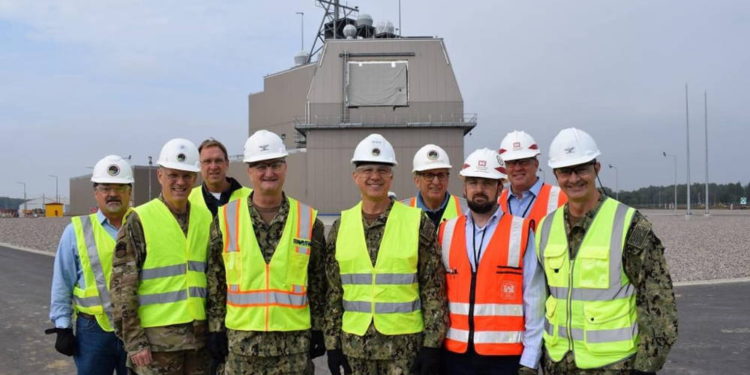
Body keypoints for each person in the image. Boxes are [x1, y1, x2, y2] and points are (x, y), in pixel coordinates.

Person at [536, 128, 678, 374]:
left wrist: (646, 367)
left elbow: (658, 300)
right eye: (565, 171)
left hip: (615, 366)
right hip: (557, 364)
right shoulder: (545, 228)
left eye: (581, 168)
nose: (574, 178)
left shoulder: (631, 225)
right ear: (555, 175)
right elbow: (542, 297)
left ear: (596, 169)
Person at [324, 133, 448, 375]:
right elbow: (334, 292)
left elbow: (433, 289)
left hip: (404, 349)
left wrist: (432, 345)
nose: (374, 176)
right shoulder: (341, 226)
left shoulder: (417, 222)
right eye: (367, 169)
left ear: (391, 176)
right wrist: (332, 345)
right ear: (355, 176)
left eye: (382, 170)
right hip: (354, 348)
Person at [205, 130, 327, 374]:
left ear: (285, 167)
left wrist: (318, 329)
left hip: (293, 347)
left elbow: (317, 282)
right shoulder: (226, 219)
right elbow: (216, 280)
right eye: (260, 166)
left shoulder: (308, 221)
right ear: (249, 170)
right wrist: (216, 329)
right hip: (242, 347)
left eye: (275, 164)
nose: (268, 173)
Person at [438, 148, 544, 375]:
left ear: (499, 187)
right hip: (455, 355)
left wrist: (530, 358)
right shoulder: (446, 231)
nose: (479, 189)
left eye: (487, 183)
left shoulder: (521, 231)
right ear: (464, 187)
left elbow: (534, 299)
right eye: (473, 182)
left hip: (505, 358)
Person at [110, 138, 212, 374]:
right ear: (160, 176)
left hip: (197, 343)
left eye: (187, 176)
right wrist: (134, 342)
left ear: (195, 178)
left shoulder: (205, 218)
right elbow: (122, 289)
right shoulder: (140, 219)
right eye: (173, 175)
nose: (180, 182)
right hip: (155, 346)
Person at [47, 155, 133, 374]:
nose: (112, 194)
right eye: (105, 188)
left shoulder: (144, 225)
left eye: (120, 187)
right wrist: (62, 326)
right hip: (92, 330)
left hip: (136, 327)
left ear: (129, 191)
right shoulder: (76, 230)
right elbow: (62, 281)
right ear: (95, 192)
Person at [498, 130, 567, 227]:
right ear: (505, 167)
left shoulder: (561, 197)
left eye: (523, 162)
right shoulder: (497, 201)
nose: (517, 168)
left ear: (536, 164)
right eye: (511, 163)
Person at [401, 144, 467, 229]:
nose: (436, 182)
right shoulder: (401, 212)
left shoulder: (466, 210)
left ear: (447, 178)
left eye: (441, 175)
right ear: (417, 181)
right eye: (429, 175)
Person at [188, 138, 251, 217]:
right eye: (207, 161)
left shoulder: (251, 197)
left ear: (227, 163)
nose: (213, 167)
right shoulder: (188, 199)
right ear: (200, 166)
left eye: (218, 160)